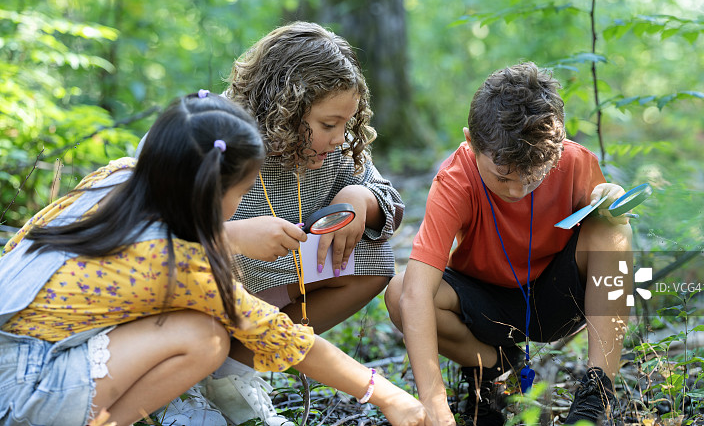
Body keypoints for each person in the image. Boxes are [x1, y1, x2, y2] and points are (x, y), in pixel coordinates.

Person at [0, 93, 427, 426]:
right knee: (205, 339)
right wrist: (389, 396)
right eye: (241, 195)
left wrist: (229, 235)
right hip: (26, 387)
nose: (240, 205)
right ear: (209, 189)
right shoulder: (182, 265)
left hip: (13, 352)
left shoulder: (117, 177)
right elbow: (281, 335)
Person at [385, 63, 633, 426]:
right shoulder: (457, 179)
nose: (517, 190)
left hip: (555, 298)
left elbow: (609, 250)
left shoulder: (575, 162)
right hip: (485, 304)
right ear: (471, 142)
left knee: (613, 228)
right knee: (399, 291)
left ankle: (597, 392)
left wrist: (614, 205)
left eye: (533, 176)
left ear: (558, 150)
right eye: (503, 176)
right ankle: (496, 366)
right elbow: (416, 294)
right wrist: (434, 403)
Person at [222, 21, 403, 334]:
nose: (339, 137)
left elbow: (391, 204)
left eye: (345, 124)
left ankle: (240, 361)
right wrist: (233, 234)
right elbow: (153, 230)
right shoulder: (215, 135)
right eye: (329, 124)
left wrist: (361, 198)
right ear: (285, 109)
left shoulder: (335, 151)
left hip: (279, 285)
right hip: (209, 289)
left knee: (375, 257)